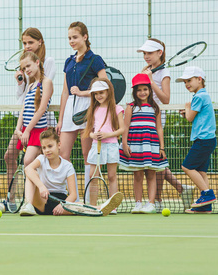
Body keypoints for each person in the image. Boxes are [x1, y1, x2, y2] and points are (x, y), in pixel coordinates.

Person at [138, 39, 194, 211]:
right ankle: (181, 189)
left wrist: (150, 81)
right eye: (144, 53)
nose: (146, 56)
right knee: (153, 161)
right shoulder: (148, 70)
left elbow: (166, 99)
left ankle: (158, 200)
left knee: (155, 161)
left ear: (159, 53)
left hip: (155, 118)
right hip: (143, 117)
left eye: (149, 53)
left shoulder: (165, 73)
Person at [56, 21, 109, 199]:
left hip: (88, 108)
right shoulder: (68, 61)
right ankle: (72, 197)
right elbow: (64, 92)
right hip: (71, 108)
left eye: (75, 37)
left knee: (88, 154)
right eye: (69, 38)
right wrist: (61, 119)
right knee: (63, 154)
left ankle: (89, 199)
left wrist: (84, 93)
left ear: (85, 37)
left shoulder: (95, 59)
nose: (71, 41)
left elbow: (105, 86)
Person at [19, 128, 123, 216]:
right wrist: (41, 187)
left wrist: (62, 205)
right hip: (42, 200)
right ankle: (28, 205)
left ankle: (100, 208)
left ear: (59, 145)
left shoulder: (68, 166)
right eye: (44, 147)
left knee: (79, 205)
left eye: (50, 146)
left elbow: (73, 194)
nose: (47, 150)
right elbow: (28, 169)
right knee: (31, 173)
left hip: (61, 202)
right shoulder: (41, 158)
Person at [119, 73, 168, 214]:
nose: (142, 92)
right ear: (135, 92)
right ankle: (138, 203)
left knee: (151, 175)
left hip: (151, 145)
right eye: (139, 90)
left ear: (150, 90)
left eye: (145, 89)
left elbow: (159, 128)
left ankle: (151, 204)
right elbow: (125, 127)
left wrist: (161, 147)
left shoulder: (155, 108)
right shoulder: (130, 107)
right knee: (138, 175)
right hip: (135, 145)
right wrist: (124, 143)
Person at [176, 67, 217, 214]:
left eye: (189, 80)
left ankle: (207, 194)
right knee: (201, 171)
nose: (187, 84)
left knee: (187, 167)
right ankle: (205, 206)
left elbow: (190, 118)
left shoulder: (199, 96)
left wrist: (187, 108)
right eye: (185, 81)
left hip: (203, 140)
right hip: (208, 140)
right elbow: (195, 116)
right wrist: (187, 111)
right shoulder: (203, 96)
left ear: (199, 79)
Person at [82, 78, 125, 214]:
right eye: (96, 93)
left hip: (111, 146)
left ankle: (112, 206)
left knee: (112, 176)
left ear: (108, 92)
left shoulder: (117, 109)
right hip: (96, 146)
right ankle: (93, 207)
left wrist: (107, 134)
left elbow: (122, 129)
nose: (99, 96)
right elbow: (88, 131)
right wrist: (93, 135)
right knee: (92, 176)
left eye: (101, 92)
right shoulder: (93, 109)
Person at [13, 51, 53, 168]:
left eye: (28, 66)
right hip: (26, 130)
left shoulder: (47, 82)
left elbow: (41, 110)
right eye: (24, 68)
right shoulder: (30, 86)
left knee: (28, 161)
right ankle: (31, 186)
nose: (27, 70)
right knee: (31, 165)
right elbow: (23, 110)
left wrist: (27, 131)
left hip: (37, 131)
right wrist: (18, 129)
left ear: (37, 62)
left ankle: (38, 186)